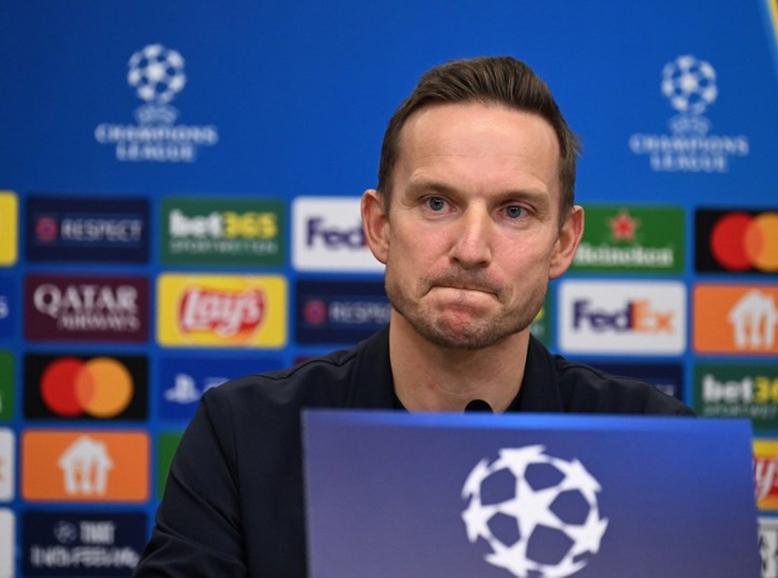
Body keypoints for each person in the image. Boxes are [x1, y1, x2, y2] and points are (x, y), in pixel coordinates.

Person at [134, 56, 692, 578]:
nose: (471, 248)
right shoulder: (243, 435)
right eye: (436, 204)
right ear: (378, 225)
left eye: (514, 211)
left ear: (563, 242)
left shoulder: (659, 450)